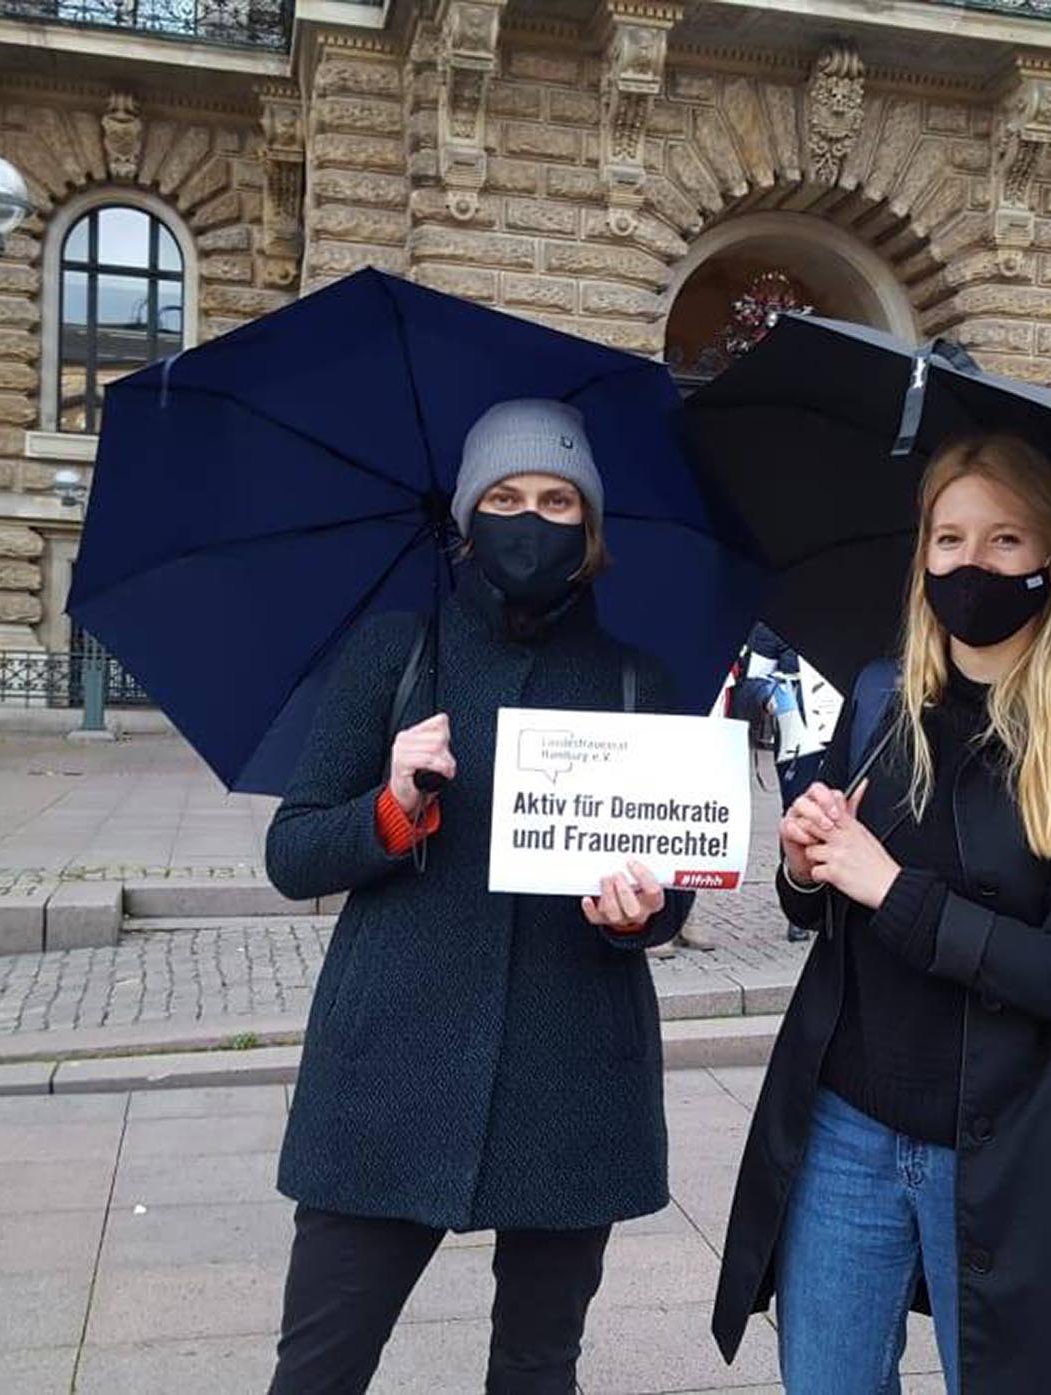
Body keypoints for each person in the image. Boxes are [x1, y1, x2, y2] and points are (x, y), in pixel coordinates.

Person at [711, 434, 1051, 1394]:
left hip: (1006, 1143)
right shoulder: (883, 704)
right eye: (950, 538)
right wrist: (805, 864)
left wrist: (893, 890)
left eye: (1005, 540)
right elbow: (833, 883)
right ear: (921, 553)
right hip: (848, 1126)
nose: (973, 564)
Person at [263, 398, 693, 1395]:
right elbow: (294, 853)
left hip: (571, 1072)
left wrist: (644, 913)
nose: (529, 520)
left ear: (589, 532)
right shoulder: (394, 655)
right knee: (320, 1365)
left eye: (555, 501)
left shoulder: (638, 681)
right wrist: (390, 805)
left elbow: (672, 889)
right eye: (503, 497)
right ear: (465, 519)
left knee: (538, 1369)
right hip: (387, 1072)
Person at [744, 623, 841, 942]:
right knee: (801, 814)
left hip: (841, 724)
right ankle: (801, 902)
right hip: (797, 732)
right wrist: (771, 695)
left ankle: (841, 899)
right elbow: (752, 685)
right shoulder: (773, 626)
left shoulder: (852, 615)